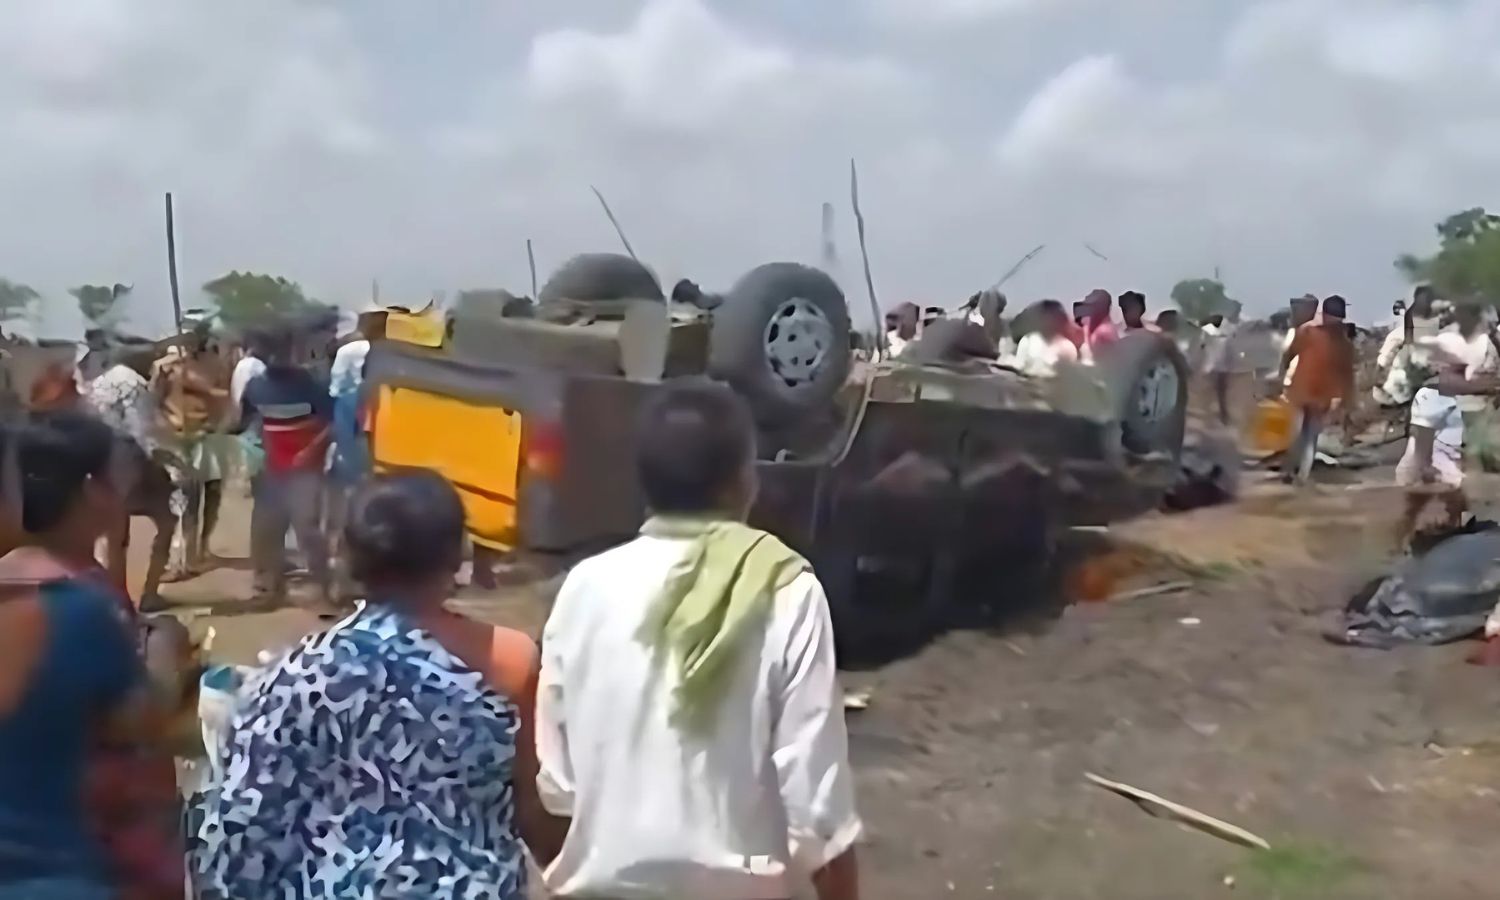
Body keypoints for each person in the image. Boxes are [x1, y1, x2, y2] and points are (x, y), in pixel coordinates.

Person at [536, 381, 861, 899]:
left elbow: (558, 785)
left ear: (645, 482)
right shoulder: (785, 588)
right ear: (740, 484)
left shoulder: (584, 588)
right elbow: (817, 804)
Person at [193, 471, 562, 898]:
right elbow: (533, 808)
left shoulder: (297, 674)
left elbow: (244, 820)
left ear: (350, 556)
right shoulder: (511, 661)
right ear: (457, 553)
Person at [0, 412, 184, 898]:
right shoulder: (76, 605)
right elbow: (142, 723)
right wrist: (166, 658)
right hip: (76, 862)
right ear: (91, 490)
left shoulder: (73, 587)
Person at [236, 324, 335, 611]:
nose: (277, 357)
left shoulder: (312, 384)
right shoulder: (255, 388)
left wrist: (312, 450)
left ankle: (325, 592)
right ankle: (267, 590)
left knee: (308, 532)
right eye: (271, 351)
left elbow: (333, 425)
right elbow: (243, 421)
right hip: (273, 471)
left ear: (292, 350)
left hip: (306, 473)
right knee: (266, 531)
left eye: (281, 350)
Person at [86, 342, 175, 609]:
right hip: (133, 462)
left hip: (102, 463)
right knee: (167, 520)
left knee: (114, 536)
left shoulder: (98, 384)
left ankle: (116, 596)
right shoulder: (134, 383)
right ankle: (150, 593)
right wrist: (172, 463)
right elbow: (144, 433)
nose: (154, 355)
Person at [152, 318, 231, 578]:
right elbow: (154, 400)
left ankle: (202, 548)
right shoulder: (167, 367)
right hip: (178, 437)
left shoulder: (214, 363)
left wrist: (220, 423)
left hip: (209, 435)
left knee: (213, 494)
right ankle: (181, 558)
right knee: (185, 500)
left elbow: (225, 394)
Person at [326, 305, 386, 560]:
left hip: (354, 434)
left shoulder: (348, 351)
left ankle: (341, 558)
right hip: (375, 448)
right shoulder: (393, 355)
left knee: (349, 504)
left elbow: (335, 389)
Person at [1280, 296, 1356, 485]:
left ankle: (1301, 475)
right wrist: (1281, 378)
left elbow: (1346, 374)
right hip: (1303, 390)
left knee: (1309, 436)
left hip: (1320, 395)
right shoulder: (1308, 334)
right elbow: (1288, 355)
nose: (1336, 322)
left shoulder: (1343, 344)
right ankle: (1291, 470)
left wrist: (1346, 399)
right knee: (1298, 434)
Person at [1012, 300, 1080, 378]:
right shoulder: (1027, 341)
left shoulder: (1067, 348)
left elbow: (1068, 376)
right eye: (1044, 316)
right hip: (1025, 385)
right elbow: (1018, 367)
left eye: (1053, 317)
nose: (1048, 320)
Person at [1078, 289, 1119, 362]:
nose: (1087, 309)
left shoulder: (1105, 333)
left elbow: (1103, 363)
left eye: (1092, 306)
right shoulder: (1088, 326)